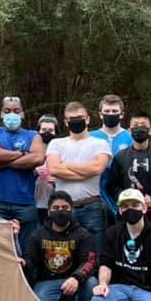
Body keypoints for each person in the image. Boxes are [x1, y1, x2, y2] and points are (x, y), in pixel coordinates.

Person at [22, 190, 98, 301]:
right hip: (47, 282)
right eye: (56, 208)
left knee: (92, 283)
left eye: (65, 208)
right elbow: (30, 259)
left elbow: (90, 261)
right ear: (49, 212)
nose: (60, 211)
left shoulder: (83, 234)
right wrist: (24, 263)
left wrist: (76, 277)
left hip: (75, 282)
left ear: (72, 210)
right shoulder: (37, 234)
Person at [44, 102, 111, 254]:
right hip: (64, 210)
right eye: (71, 118)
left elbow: (98, 168)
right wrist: (86, 171)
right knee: (65, 253)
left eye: (79, 117)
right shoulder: (56, 143)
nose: (76, 121)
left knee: (96, 253)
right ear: (66, 122)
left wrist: (65, 165)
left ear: (87, 119)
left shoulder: (100, 143)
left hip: (91, 207)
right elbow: (54, 169)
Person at [0, 96, 46, 251]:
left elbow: (38, 158)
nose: (12, 114)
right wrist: (23, 154)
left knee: (27, 251)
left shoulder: (33, 135)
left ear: (23, 114)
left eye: (16, 111)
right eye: (7, 111)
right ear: (1, 114)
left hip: (26, 203)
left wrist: (3, 162)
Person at [106, 111, 151, 230]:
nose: (139, 128)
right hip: (128, 214)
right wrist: (128, 199)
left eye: (143, 125)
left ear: (150, 130)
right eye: (135, 126)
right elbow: (112, 186)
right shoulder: (120, 157)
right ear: (129, 131)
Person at [90, 94, 134, 217]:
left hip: (121, 190)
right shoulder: (90, 137)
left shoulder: (130, 137)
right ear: (100, 114)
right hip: (95, 192)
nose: (110, 114)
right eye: (107, 111)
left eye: (114, 111)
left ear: (122, 114)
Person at [34, 115, 59, 224]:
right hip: (33, 202)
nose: (47, 132)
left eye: (50, 130)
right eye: (43, 130)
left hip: (55, 202)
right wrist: (34, 171)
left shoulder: (61, 148)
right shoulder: (31, 148)